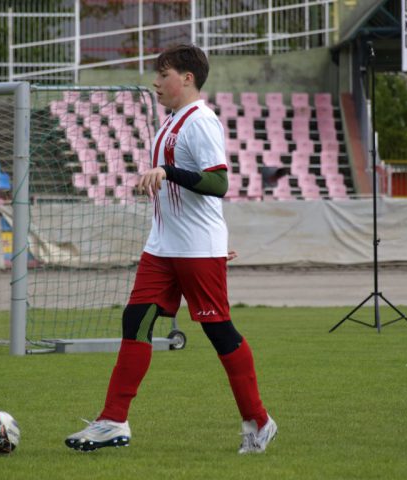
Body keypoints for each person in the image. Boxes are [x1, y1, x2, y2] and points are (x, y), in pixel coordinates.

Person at [65, 44, 276, 455]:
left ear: (187, 78)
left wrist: (169, 172)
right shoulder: (171, 122)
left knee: (219, 332)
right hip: (162, 247)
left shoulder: (201, 121)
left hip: (196, 251)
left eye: (164, 75)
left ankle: (259, 421)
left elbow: (218, 183)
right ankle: (113, 420)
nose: (156, 82)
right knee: (135, 321)